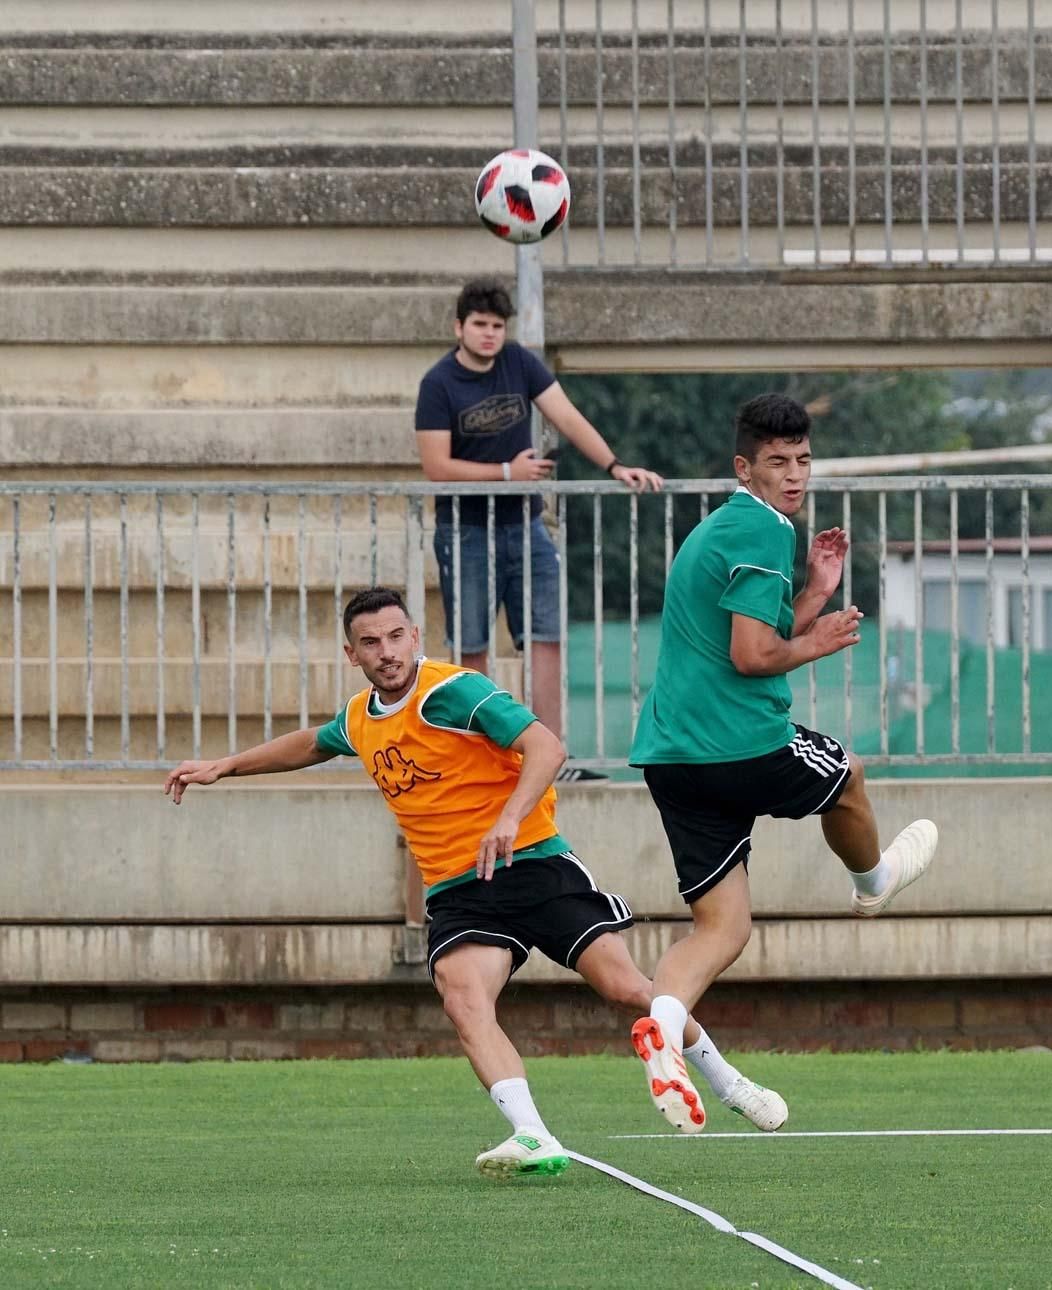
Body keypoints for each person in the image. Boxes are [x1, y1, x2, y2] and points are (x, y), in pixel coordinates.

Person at [165, 587, 788, 1177]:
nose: (387, 653)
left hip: (535, 863)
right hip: (459, 893)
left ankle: (730, 1082)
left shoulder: (455, 693)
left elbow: (547, 746)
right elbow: (313, 743)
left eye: (395, 637)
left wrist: (510, 819)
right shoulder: (362, 718)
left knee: (627, 987)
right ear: (350, 654)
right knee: (463, 999)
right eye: (371, 643)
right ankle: (533, 1136)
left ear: (415, 636)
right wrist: (225, 766)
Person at [627, 394, 938, 1134]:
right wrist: (822, 638)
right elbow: (754, 656)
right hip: (742, 743)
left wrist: (815, 595)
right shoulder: (762, 529)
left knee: (722, 928)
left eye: (802, 460)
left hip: (673, 756)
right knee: (850, 778)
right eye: (777, 462)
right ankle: (874, 883)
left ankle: (662, 1032)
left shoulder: (724, 529)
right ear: (745, 467)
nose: (794, 475)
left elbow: (747, 634)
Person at [415, 277, 663, 780]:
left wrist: (615, 466)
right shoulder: (438, 383)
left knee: (545, 639)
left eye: (497, 326)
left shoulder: (520, 363)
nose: (489, 335)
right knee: (471, 647)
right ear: (459, 327)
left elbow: (567, 418)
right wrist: (508, 474)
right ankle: (481, 759)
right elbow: (436, 465)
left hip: (524, 527)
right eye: (480, 325)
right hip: (465, 532)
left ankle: (549, 757)